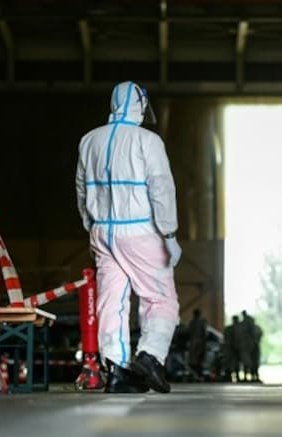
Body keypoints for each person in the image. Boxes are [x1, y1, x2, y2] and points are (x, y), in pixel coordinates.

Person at [76, 81, 181, 393]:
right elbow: (161, 187)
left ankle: (117, 368)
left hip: (102, 232)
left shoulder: (89, 141)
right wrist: (170, 231)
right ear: (140, 105)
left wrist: (90, 224)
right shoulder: (147, 140)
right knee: (160, 297)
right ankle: (150, 356)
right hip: (140, 231)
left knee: (112, 301)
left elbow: (81, 190)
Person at [187, 308, 207, 380]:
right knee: (199, 360)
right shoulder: (202, 323)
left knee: (193, 360)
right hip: (200, 343)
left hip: (193, 343)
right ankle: (199, 375)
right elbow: (204, 334)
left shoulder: (191, 322)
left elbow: (188, 332)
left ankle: (194, 375)